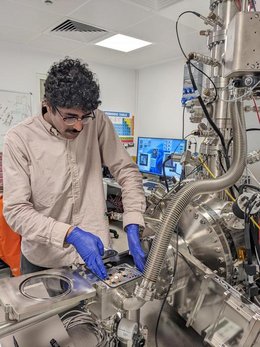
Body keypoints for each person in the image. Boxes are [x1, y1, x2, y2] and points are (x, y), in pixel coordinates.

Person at [3, 57, 146, 278]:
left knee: (95, 312)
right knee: (52, 313)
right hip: (45, 259)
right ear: (47, 105)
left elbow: (126, 171)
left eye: (84, 116)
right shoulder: (19, 139)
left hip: (95, 251)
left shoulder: (97, 121)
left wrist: (133, 220)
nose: (79, 126)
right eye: (69, 117)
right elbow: (16, 211)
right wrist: (69, 233)